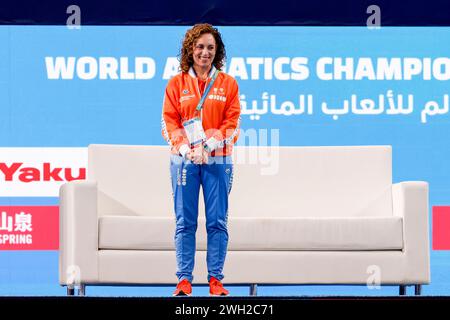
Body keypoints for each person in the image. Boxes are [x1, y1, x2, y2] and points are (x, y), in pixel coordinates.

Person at [161, 23, 241, 296]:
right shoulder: (176, 84)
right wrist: (187, 150)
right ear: (190, 50)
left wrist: (207, 145)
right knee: (185, 222)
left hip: (218, 160)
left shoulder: (227, 83)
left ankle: (215, 281)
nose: (205, 52)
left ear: (217, 51)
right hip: (184, 161)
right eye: (199, 47)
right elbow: (169, 124)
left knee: (217, 222)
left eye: (210, 47)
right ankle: (184, 280)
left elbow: (233, 122)